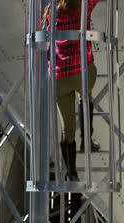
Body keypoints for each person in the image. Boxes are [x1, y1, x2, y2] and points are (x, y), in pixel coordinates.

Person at [43, 0, 101, 181]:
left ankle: (72, 173)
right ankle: (86, 140)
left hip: (58, 76)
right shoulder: (83, 4)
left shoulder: (51, 10)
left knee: (66, 128)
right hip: (80, 70)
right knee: (86, 96)